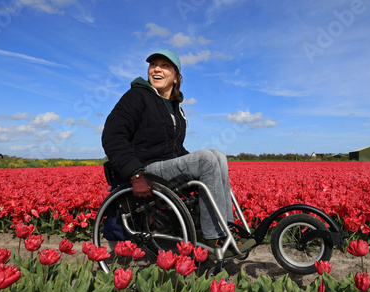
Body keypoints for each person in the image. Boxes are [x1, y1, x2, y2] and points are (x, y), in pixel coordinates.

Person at [101, 48, 255, 256]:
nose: (157, 69)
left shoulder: (175, 108)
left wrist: (194, 161)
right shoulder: (137, 96)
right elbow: (113, 135)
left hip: (163, 167)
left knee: (217, 155)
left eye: (165, 66)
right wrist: (135, 173)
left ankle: (227, 228)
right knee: (208, 158)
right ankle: (214, 236)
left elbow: (175, 149)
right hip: (145, 168)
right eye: (153, 65)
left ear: (176, 77)